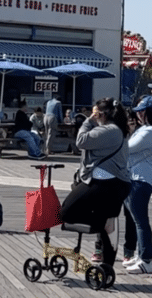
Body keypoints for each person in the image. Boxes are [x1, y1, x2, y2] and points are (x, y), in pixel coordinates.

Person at [61, 98, 131, 267]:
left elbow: (81, 141)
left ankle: (103, 224)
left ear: (102, 114)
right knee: (103, 221)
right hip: (115, 183)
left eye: (96, 112)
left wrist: (89, 120)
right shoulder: (116, 129)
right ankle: (106, 269)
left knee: (66, 213)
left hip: (104, 182)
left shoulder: (110, 130)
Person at [122, 97, 152, 274]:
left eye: (142, 110)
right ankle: (141, 257)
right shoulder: (144, 129)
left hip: (141, 180)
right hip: (137, 179)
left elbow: (127, 148)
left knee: (141, 222)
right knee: (138, 221)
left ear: (150, 113)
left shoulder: (150, 131)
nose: (138, 113)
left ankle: (146, 261)